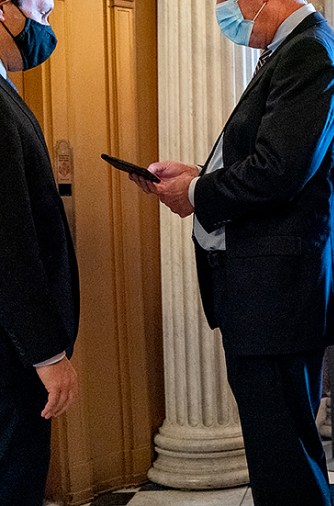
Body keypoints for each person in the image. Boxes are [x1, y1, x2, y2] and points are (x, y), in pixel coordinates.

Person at [129, 1, 334, 503]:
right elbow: (277, 162)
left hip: (278, 292)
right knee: (281, 450)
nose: (227, 11)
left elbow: (279, 172)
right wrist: (198, 178)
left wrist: (194, 194)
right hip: (274, 288)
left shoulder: (310, 52)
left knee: (283, 458)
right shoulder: (298, 49)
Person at [0, 1, 80, 504]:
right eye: (41, 12)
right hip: (10, 352)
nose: (44, 29)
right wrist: (47, 354)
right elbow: (9, 243)